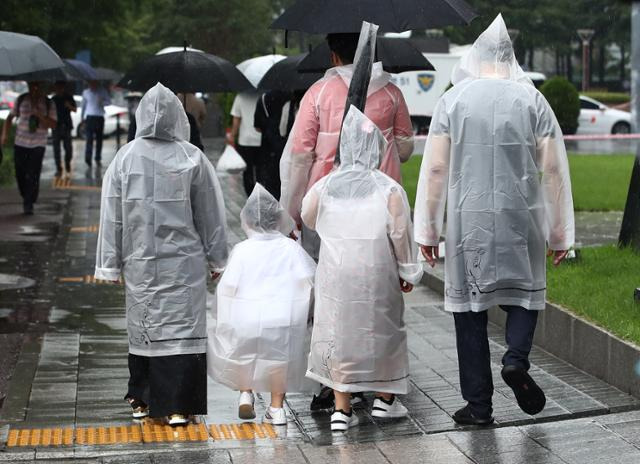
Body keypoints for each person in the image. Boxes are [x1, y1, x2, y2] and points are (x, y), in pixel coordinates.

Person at [413, 15, 575, 426]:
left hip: (470, 219)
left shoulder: (454, 100)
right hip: (521, 215)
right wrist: (560, 235)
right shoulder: (531, 99)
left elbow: (434, 170)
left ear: (475, 57)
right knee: (525, 294)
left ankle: (479, 406)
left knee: (469, 311)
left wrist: (428, 229)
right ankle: (516, 359)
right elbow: (553, 169)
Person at [94, 83, 228, 426]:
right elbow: (210, 214)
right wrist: (218, 259)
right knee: (182, 330)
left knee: (144, 326)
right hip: (183, 265)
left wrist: (109, 264)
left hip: (140, 262)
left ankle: (142, 398)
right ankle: (179, 405)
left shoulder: (124, 159)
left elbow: (112, 215)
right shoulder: (191, 158)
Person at [301, 106, 422, 432]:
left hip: (335, 274)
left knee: (338, 333)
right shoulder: (388, 190)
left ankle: (341, 409)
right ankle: (385, 399)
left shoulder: (325, 186)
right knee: (382, 330)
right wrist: (408, 272)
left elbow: (307, 217)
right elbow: (401, 234)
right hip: (377, 272)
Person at [280, 32, 415, 260]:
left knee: (324, 266)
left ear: (333, 57)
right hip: (380, 201)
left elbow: (300, 158)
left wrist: (292, 213)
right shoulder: (392, 93)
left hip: (325, 201)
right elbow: (404, 150)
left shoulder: (317, 93)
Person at [208, 183, 316, 426]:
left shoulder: (242, 250)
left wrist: (224, 314)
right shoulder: (290, 248)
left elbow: (228, 287)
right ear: (278, 221)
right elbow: (308, 279)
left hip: (246, 317)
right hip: (281, 318)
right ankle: (276, 408)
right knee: (279, 359)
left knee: (244, 353)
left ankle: (245, 392)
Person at [0, 81, 57, 215]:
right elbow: (10, 118)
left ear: (41, 87)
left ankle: (28, 203)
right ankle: (27, 195)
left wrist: (39, 115)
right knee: (20, 173)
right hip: (20, 143)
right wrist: (4, 135)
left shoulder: (49, 104)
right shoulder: (21, 99)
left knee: (33, 173)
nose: (34, 88)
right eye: (32, 85)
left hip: (38, 144)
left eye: (37, 85)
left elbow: (53, 125)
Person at [253, 90, 296, 199]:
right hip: (289, 148)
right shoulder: (294, 96)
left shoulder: (263, 99)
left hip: (268, 149)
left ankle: (274, 212)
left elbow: (257, 127)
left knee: (271, 187)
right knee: (288, 186)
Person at [229, 91, 263, 196]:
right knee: (261, 170)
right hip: (261, 140)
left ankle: (250, 195)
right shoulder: (263, 95)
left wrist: (232, 136)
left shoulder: (240, 96)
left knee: (247, 171)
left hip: (245, 141)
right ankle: (261, 193)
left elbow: (236, 120)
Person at [82, 80, 111, 167]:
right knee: (89, 139)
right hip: (89, 117)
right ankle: (88, 158)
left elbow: (109, 102)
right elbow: (83, 105)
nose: (92, 84)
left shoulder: (102, 91)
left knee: (99, 139)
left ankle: (97, 158)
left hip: (99, 117)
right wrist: (82, 118)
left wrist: (102, 102)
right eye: (90, 83)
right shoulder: (86, 92)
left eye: (94, 82)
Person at [51, 81, 77, 176]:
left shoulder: (68, 97)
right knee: (56, 149)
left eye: (61, 86)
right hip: (56, 127)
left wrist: (68, 106)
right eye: (57, 87)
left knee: (68, 148)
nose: (59, 89)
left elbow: (75, 110)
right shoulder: (53, 99)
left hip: (66, 126)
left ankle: (67, 163)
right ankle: (58, 168)